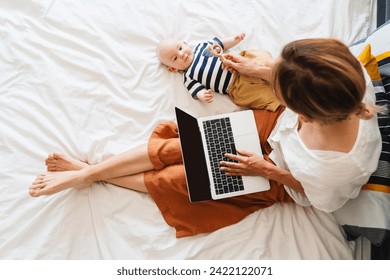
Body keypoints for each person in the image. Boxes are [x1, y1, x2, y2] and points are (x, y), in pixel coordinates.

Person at [30, 38, 382, 238]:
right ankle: (86, 174)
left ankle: (87, 173)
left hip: (286, 177)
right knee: (185, 144)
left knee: (183, 180)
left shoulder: (333, 167)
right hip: (279, 131)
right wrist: (259, 70)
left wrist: (267, 170)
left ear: (303, 113)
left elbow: (322, 200)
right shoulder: (345, 76)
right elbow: (296, 69)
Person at [156, 34, 280, 111]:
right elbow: (196, 91)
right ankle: (278, 97)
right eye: (175, 58)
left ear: (184, 43)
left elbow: (220, 45)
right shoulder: (188, 76)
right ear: (173, 69)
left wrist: (234, 39)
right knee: (259, 95)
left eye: (180, 48)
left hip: (238, 63)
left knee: (254, 56)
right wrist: (203, 95)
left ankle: (272, 65)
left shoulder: (202, 46)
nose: (181, 54)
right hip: (236, 86)